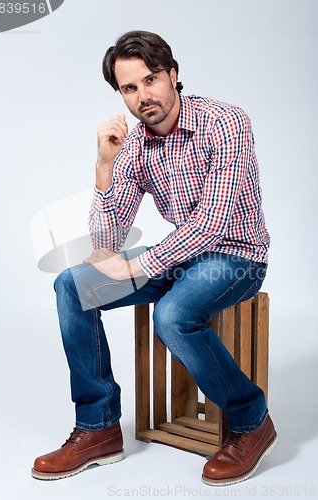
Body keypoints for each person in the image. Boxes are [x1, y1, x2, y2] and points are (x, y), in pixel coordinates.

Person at [31, 30, 278, 486]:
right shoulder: (133, 145)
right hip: (180, 260)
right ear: (120, 93)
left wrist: (136, 267)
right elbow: (108, 241)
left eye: (151, 80)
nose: (144, 96)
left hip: (238, 257)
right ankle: (98, 426)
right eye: (129, 88)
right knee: (72, 283)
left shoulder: (224, 122)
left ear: (173, 75)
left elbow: (214, 223)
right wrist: (104, 167)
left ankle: (250, 420)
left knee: (173, 314)